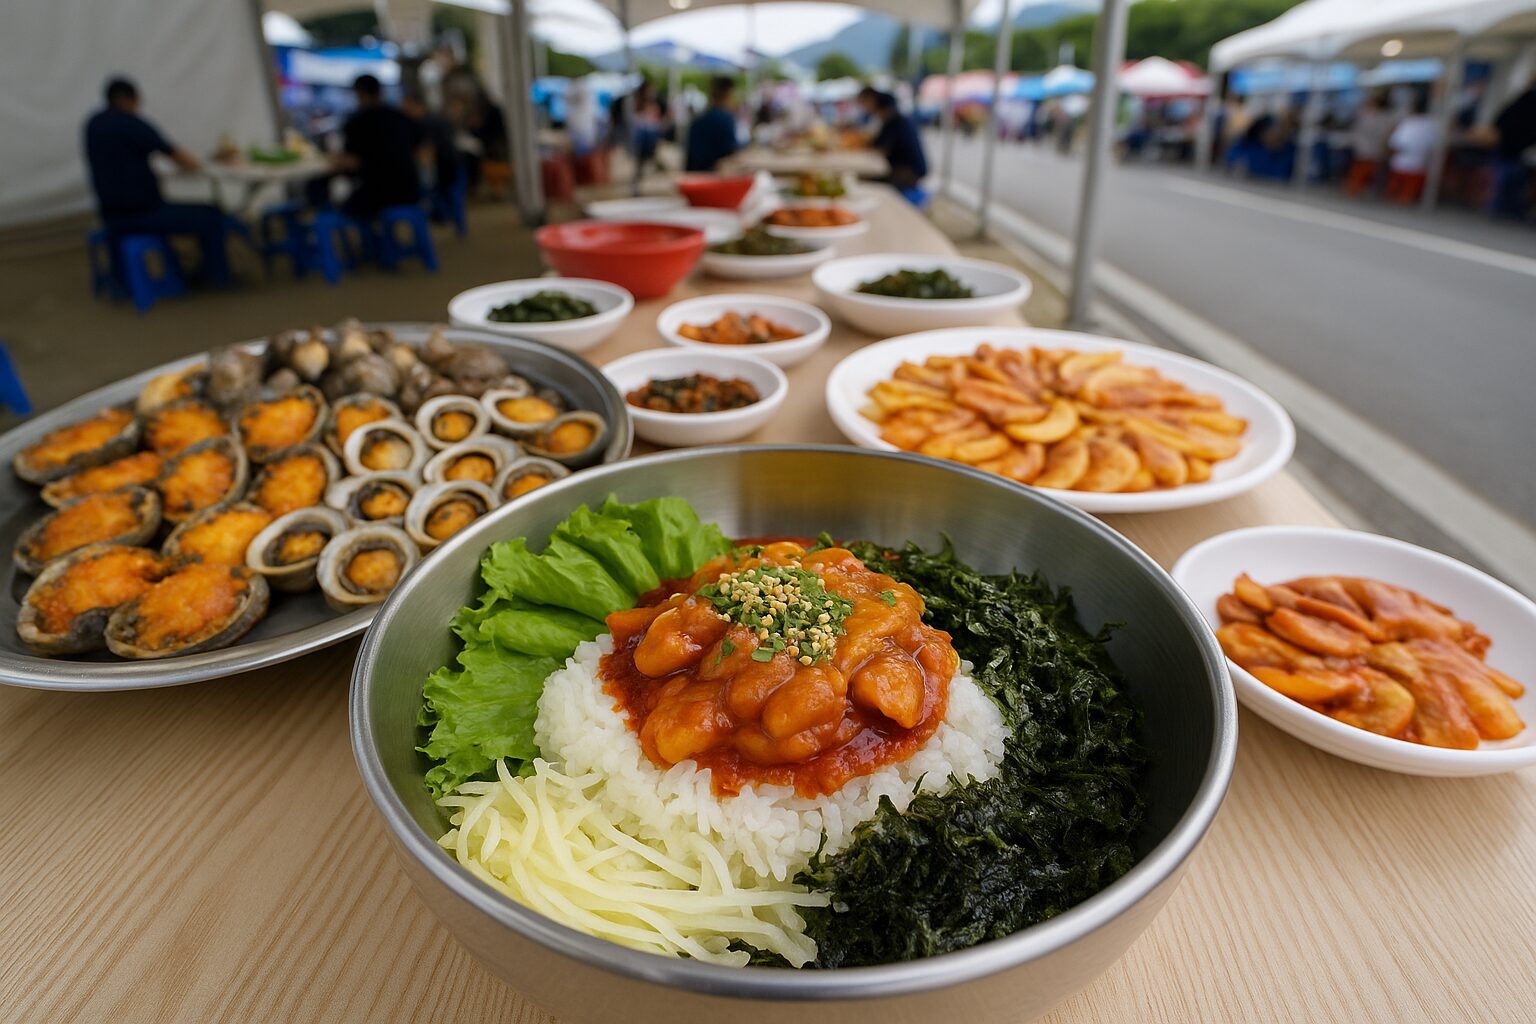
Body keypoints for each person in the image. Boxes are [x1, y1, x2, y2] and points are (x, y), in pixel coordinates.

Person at [83, 76, 230, 284]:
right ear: (127, 100)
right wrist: (208, 162)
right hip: (142, 213)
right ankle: (215, 276)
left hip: (110, 214)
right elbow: (180, 157)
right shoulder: (131, 124)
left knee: (202, 213)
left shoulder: (93, 125)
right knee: (212, 215)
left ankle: (127, 278)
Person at [332, 74, 422, 220]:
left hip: (377, 195)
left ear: (359, 93)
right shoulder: (400, 117)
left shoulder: (357, 123)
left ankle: (371, 241)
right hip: (411, 190)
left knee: (338, 207)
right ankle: (380, 240)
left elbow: (352, 162)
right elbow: (419, 148)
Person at [1472, 81, 1536, 219]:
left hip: (1507, 145)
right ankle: (1502, 208)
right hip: (1511, 146)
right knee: (1506, 177)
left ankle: (1500, 208)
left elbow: (1499, 120)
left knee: (1507, 177)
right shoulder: (1528, 102)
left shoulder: (1521, 100)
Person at [400, 89, 462, 215]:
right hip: (452, 162)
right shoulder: (433, 118)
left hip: (445, 165)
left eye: (407, 106)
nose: (404, 110)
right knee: (453, 199)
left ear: (416, 105)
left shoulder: (425, 123)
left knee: (447, 198)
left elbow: (427, 151)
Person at [868, 90, 928, 200]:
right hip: (911, 169)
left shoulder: (894, 123)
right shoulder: (901, 120)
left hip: (910, 172)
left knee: (868, 183)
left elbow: (879, 147)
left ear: (882, 108)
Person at [1385, 93, 1440, 204]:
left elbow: (1395, 143)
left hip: (1401, 163)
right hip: (1419, 164)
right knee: (1407, 192)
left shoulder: (1408, 122)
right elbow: (1434, 146)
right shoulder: (1433, 124)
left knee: (1396, 188)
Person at [684, 76, 741, 173]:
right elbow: (731, 154)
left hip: (693, 176)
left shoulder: (699, 120)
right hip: (714, 178)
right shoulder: (725, 120)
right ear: (728, 94)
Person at [1344, 93, 1395, 197]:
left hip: (1367, 148)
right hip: (1372, 149)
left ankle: (1355, 189)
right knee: (1366, 170)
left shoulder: (1368, 116)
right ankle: (1357, 189)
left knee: (1363, 170)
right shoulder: (1384, 117)